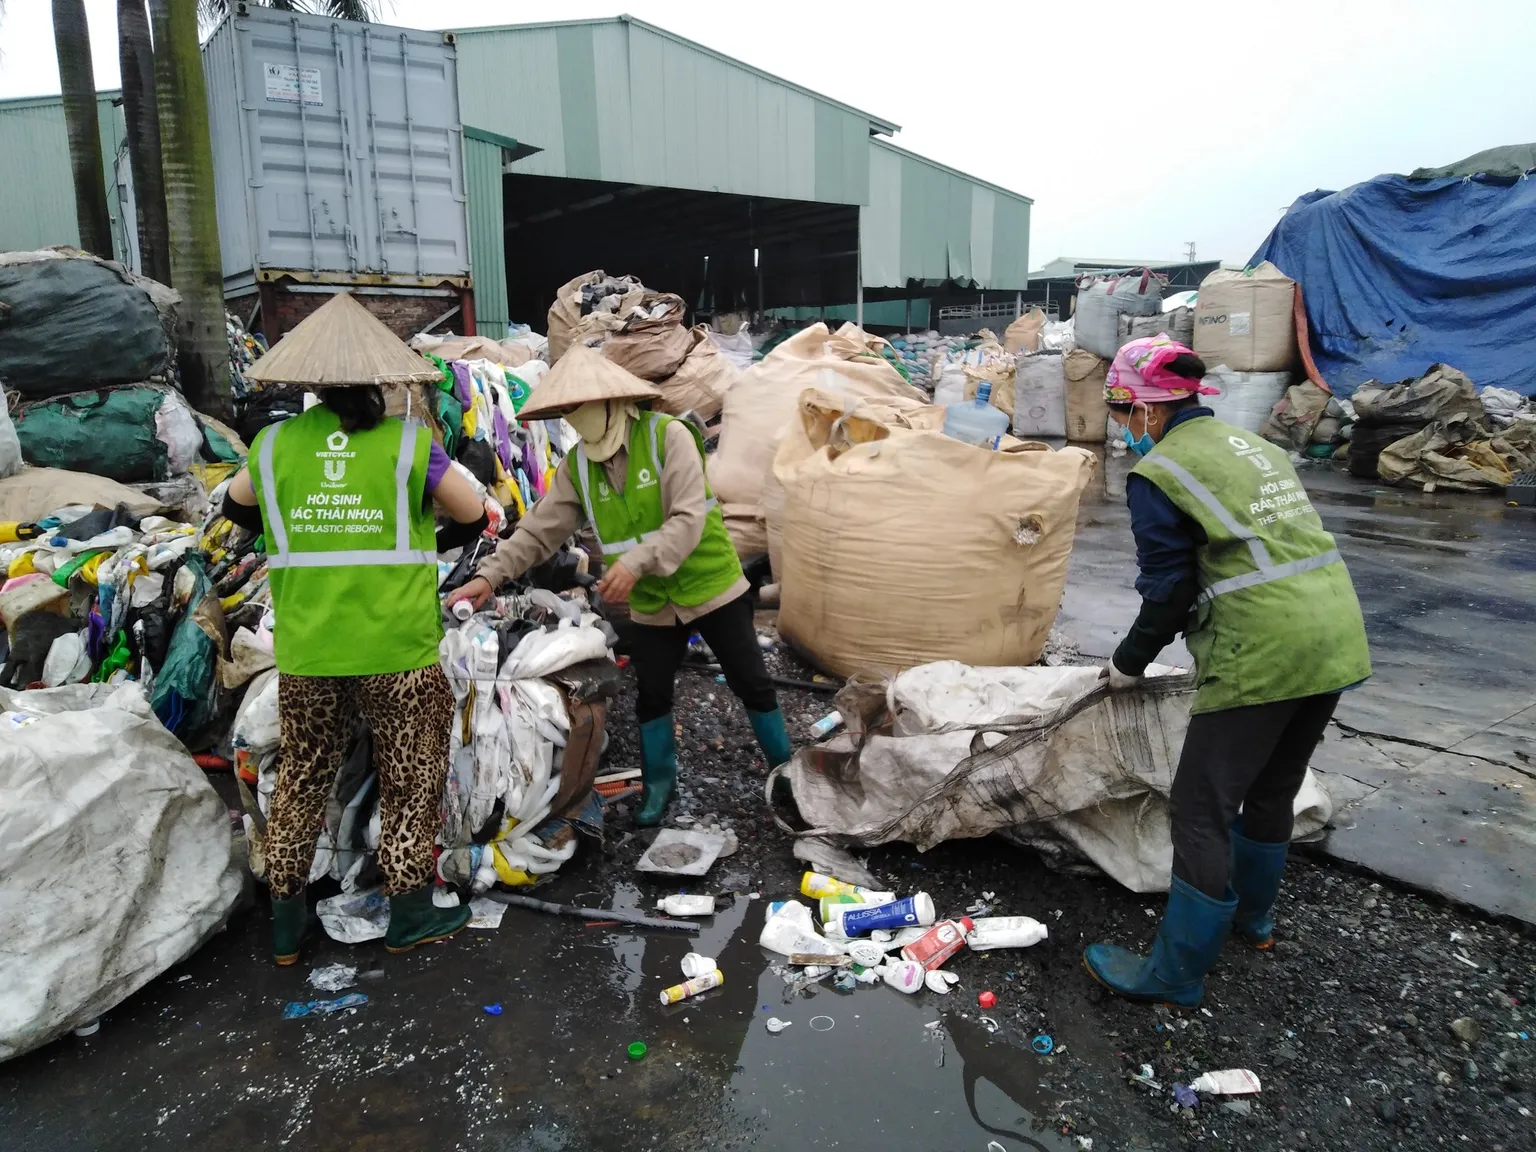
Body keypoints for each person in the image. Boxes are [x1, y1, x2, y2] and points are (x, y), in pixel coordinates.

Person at [1082, 335, 1371, 1007]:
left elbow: (1169, 590)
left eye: (1124, 411)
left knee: (1200, 807)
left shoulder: (1161, 474)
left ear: (1147, 409)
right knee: (1272, 788)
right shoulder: (1257, 448)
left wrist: (1128, 663)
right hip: (1334, 634)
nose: (1124, 427)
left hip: (1265, 649)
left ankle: (1175, 973)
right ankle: (1254, 920)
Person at [445, 345, 792, 826]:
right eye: (567, 410)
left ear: (612, 402)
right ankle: (658, 787)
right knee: (651, 694)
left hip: (711, 587)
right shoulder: (579, 465)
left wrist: (635, 563)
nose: (575, 418)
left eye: (580, 407)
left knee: (751, 682)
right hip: (653, 605)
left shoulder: (669, 438)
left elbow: (690, 517)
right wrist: (490, 575)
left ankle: (788, 777)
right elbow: (541, 528)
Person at [223, 382, 490, 965]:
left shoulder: (271, 445)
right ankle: (411, 914)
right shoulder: (410, 445)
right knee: (410, 779)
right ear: (376, 385)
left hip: (310, 650)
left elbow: (236, 510)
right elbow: (475, 515)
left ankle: (288, 929)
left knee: (302, 778)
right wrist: (431, 537)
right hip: (397, 647)